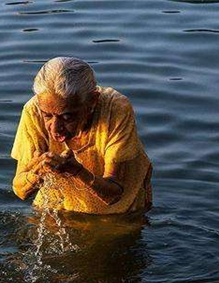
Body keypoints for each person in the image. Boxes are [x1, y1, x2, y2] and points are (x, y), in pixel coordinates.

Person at [10, 56, 152, 215]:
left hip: (118, 214)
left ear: (92, 101)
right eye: (47, 116)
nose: (55, 129)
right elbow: (20, 190)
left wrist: (77, 171)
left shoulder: (116, 109)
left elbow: (113, 194)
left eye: (67, 117)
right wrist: (38, 172)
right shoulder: (33, 110)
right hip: (55, 208)